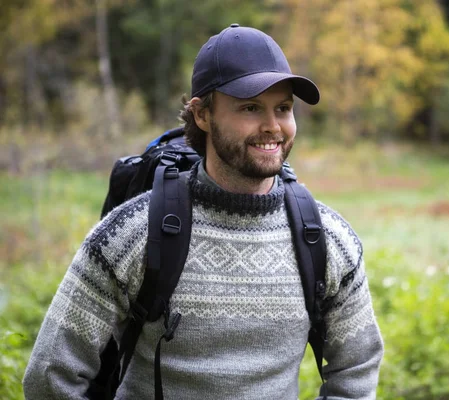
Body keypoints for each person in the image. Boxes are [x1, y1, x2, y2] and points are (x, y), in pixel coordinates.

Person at [23, 24, 384, 399]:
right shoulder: (130, 234)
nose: (273, 126)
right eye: (250, 108)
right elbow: (50, 376)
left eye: (283, 108)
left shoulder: (328, 240)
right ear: (202, 115)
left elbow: (356, 371)